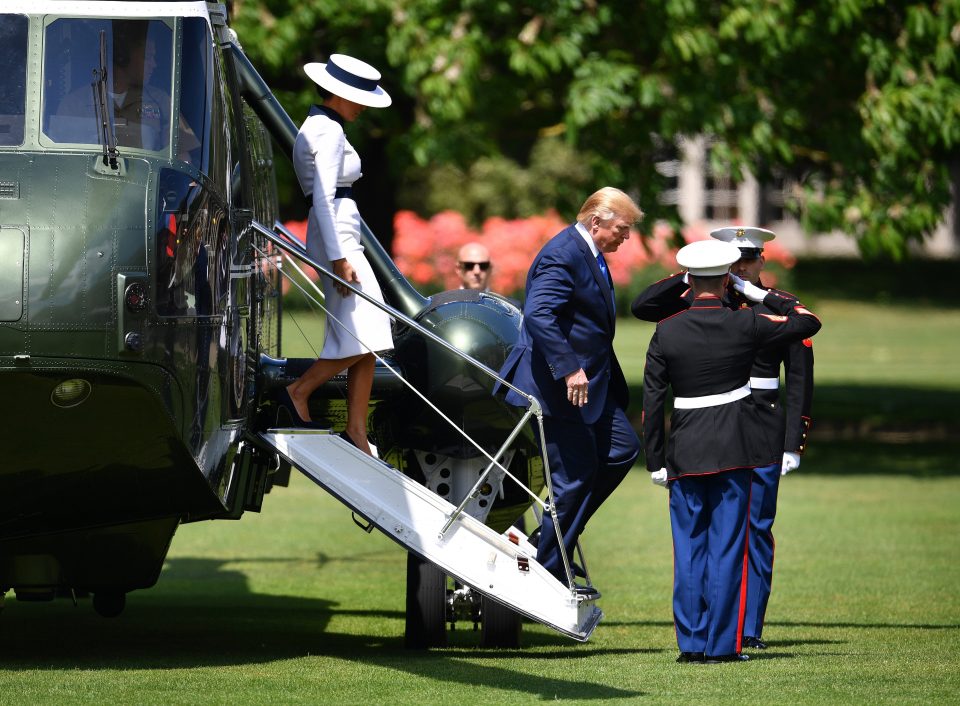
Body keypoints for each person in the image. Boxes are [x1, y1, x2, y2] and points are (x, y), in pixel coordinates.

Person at [631, 226, 814, 649]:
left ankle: (743, 629)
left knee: (752, 532)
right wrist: (694, 276)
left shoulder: (756, 309)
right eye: (733, 260)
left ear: (759, 261)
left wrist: (793, 441)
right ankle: (721, 635)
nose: (741, 267)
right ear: (723, 266)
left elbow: (799, 373)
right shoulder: (735, 314)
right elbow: (644, 305)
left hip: (760, 426)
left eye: (748, 259)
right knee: (726, 538)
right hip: (728, 434)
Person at [495, 187, 644, 596]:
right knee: (574, 479)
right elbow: (539, 314)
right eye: (622, 229)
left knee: (621, 449)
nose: (626, 238)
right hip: (560, 389)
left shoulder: (588, 252)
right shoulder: (563, 253)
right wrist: (569, 369)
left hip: (592, 387)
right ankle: (548, 570)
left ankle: (552, 539)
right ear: (597, 222)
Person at [282, 54, 394, 457]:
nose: (363, 104)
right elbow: (326, 201)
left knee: (370, 335)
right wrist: (339, 256)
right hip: (338, 238)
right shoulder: (326, 130)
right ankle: (300, 390)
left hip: (341, 235)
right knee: (369, 330)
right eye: (357, 96)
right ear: (337, 94)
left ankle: (357, 430)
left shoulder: (323, 126)